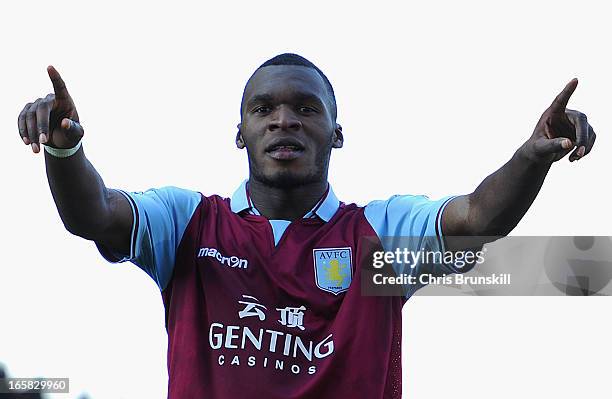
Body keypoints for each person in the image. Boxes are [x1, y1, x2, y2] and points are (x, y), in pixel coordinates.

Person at [17, 53, 596, 398]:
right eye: (263, 109)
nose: (284, 120)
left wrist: (531, 155)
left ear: (336, 133)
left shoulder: (378, 236)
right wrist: (64, 152)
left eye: (307, 109)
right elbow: (93, 215)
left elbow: (477, 217)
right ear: (240, 133)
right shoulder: (188, 221)